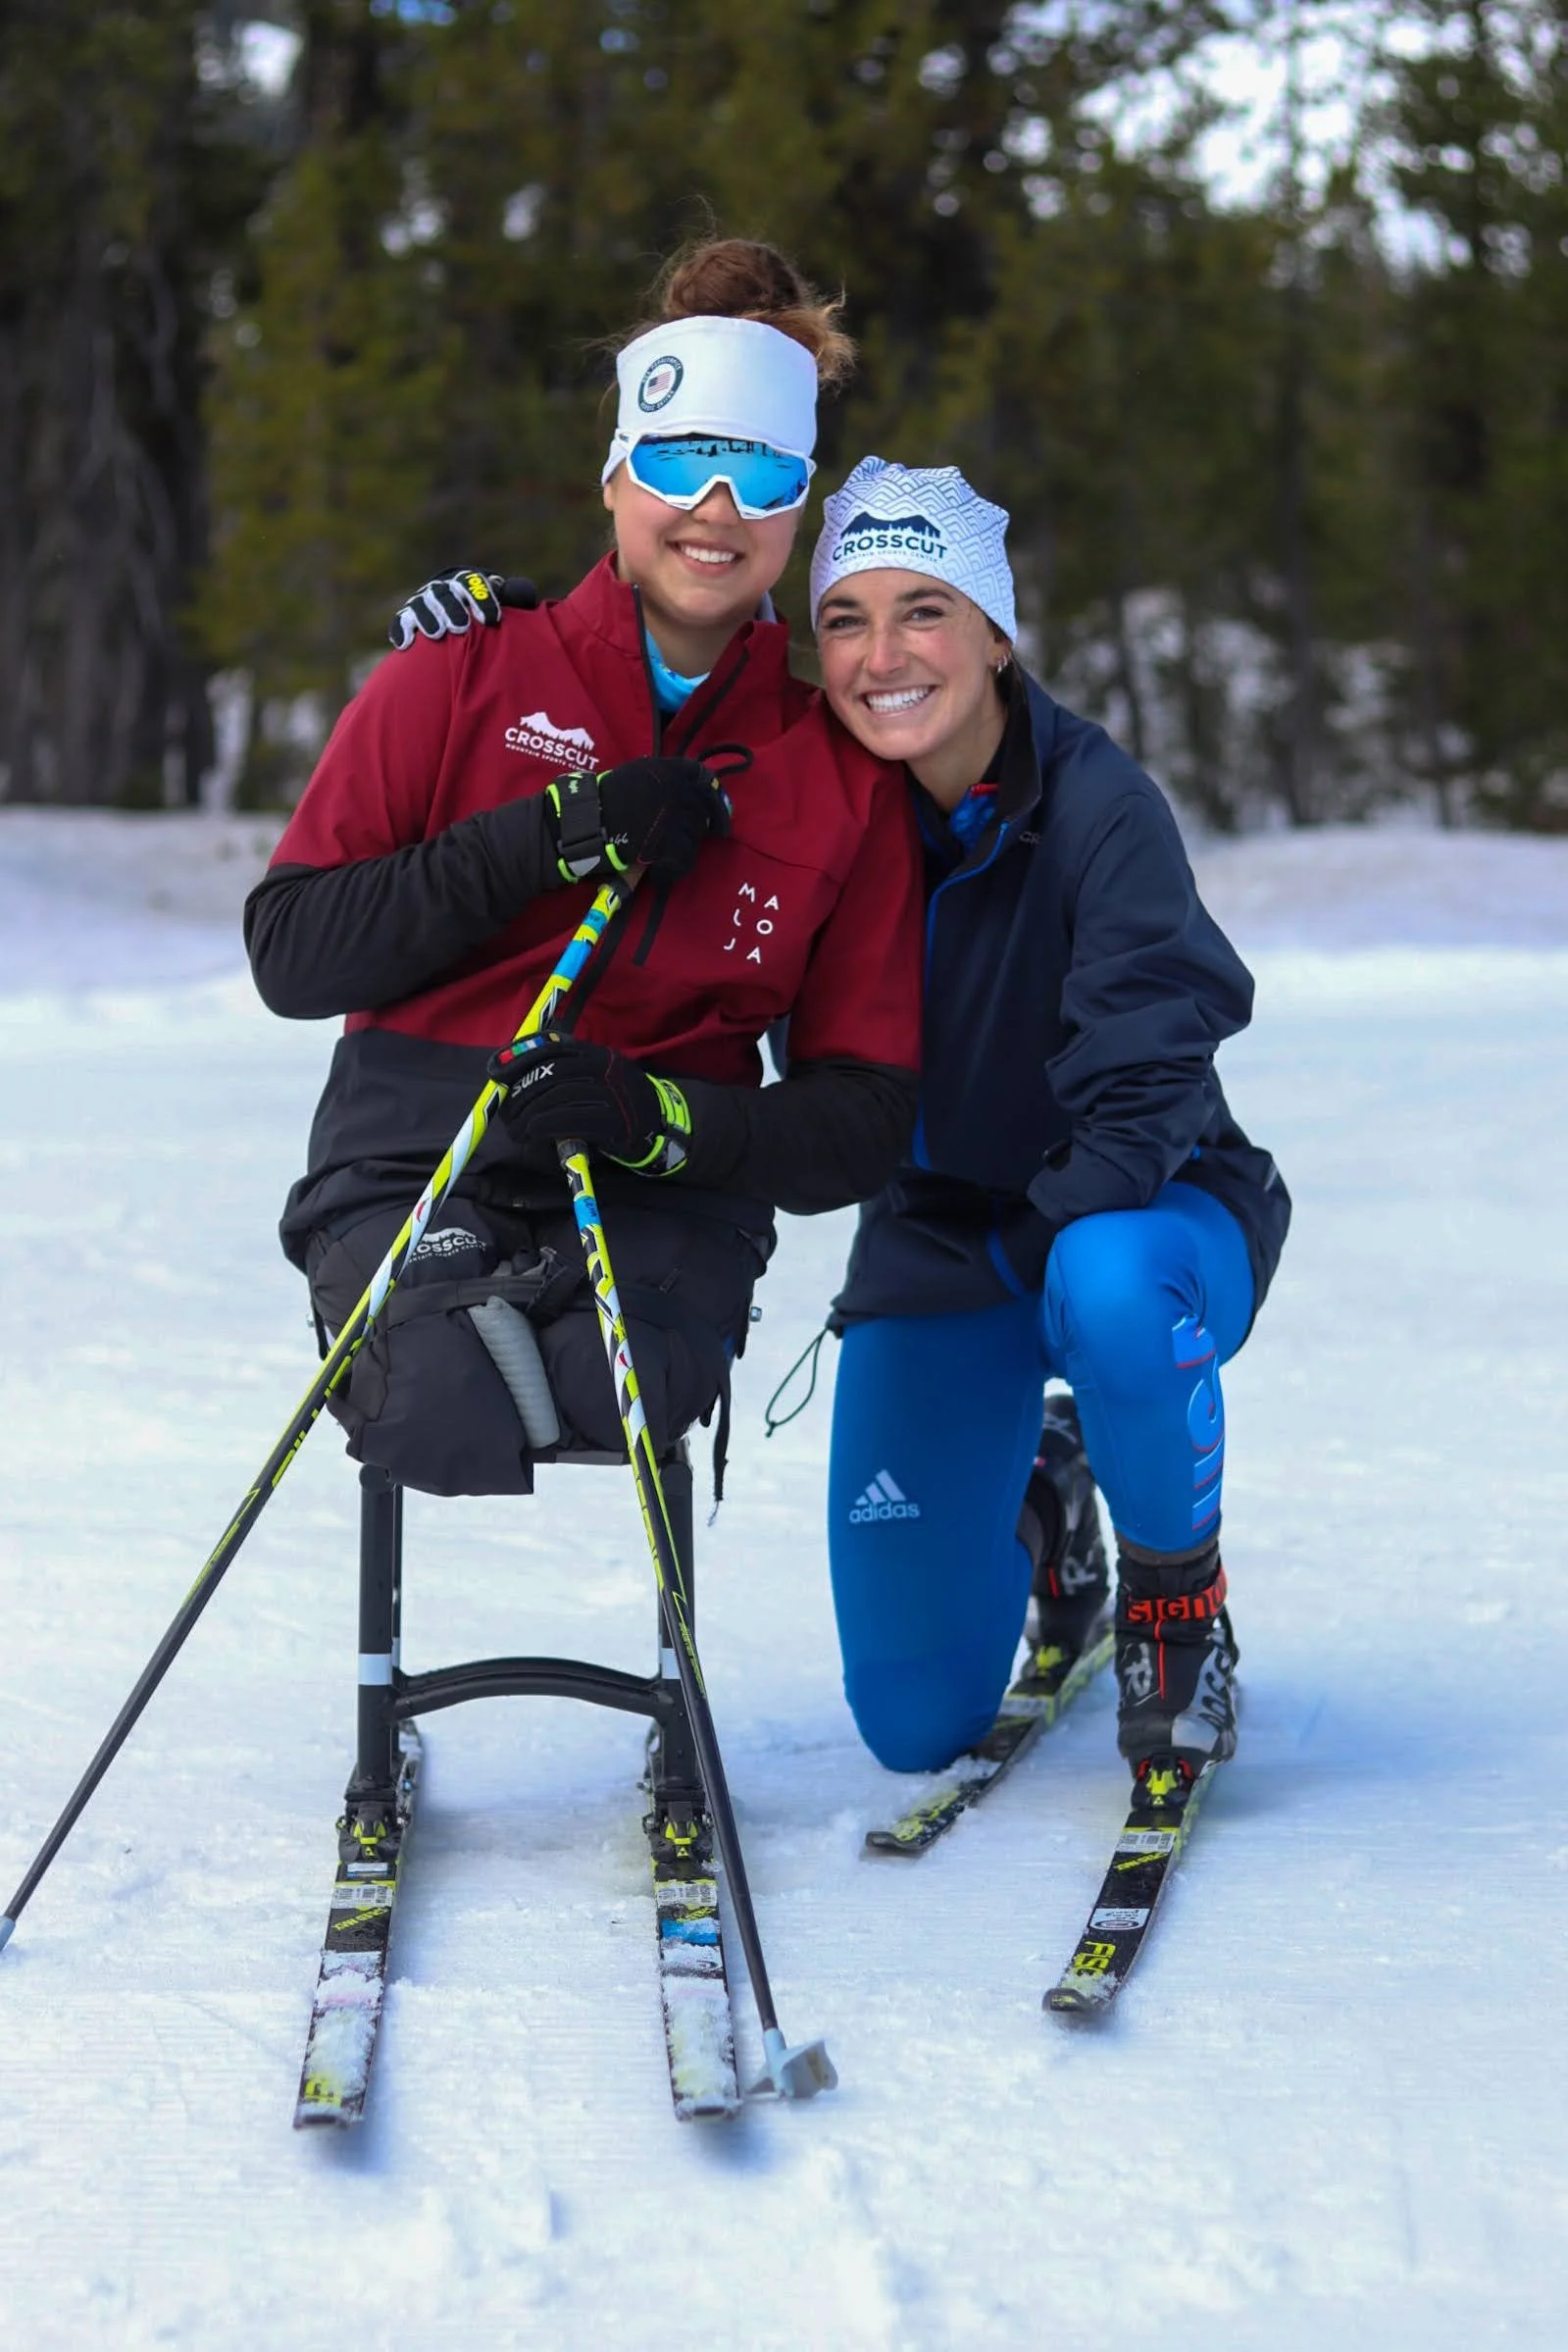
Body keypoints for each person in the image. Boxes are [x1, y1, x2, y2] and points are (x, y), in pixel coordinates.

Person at [244, 242, 923, 1500]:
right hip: (419, 1139)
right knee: (437, 1399)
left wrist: (656, 1119)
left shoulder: (835, 760)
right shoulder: (462, 668)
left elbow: (862, 1115)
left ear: (798, 508)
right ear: (614, 475)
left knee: (615, 1387)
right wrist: (555, 830)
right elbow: (294, 952)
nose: (716, 509)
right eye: (678, 462)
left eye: (761, 473)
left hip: (668, 1171)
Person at [804, 459, 1290, 1806]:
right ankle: (1041, 1495)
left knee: (1112, 1288)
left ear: (995, 635)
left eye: (923, 610)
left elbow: (1143, 1081)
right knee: (913, 1721)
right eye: (845, 618)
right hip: (937, 1241)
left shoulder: (1097, 803)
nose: (884, 653)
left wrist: (1040, 1228)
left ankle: (1173, 1611)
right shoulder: (814, 808)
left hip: (1151, 1205)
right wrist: (483, 648)